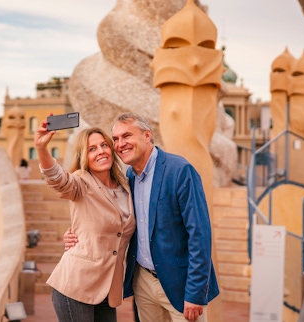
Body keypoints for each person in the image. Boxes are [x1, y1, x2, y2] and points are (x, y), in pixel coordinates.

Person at [65, 113, 219, 322]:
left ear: (147, 135)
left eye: (127, 136)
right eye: (116, 139)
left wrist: (195, 292)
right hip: (143, 284)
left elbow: (199, 234)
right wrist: (75, 233)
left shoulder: (180, 170)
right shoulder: (128, 179)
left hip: (180, 285)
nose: (120, 144)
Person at [34, 116, 136, 322]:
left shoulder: (126, 185)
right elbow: (58, 180)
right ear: (84, 156)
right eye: (92, 149)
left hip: (108, 288)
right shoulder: (81, 182)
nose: (100, 152)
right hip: (76, 285)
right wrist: (42, 149)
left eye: (104, 145)